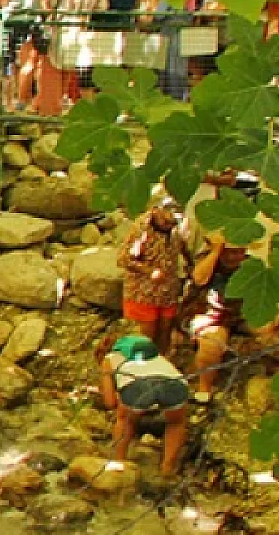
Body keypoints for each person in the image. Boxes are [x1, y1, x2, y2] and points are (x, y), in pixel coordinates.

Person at [97, 333, 188, 476]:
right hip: (175, 383)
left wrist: (118, 395)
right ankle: (167, 468)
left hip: (138, 386)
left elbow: (109, 402)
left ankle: (119, 462)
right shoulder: (156, 355)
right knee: (176, 422)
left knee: (125, 421)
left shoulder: (109, 359)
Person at [119, 199, 189, 352]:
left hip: (168, 291)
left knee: (165, 332)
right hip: (142, 293)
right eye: (166, 220)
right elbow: (123, 259)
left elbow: (183, 248)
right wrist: (149, 271)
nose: (169, 225)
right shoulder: (141, 229)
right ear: (156, 210)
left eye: (173, 222)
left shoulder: (177, 227)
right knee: (145, 340)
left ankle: (161, 364)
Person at [188, 233, 249, 398]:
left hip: (242, 314)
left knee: (278, 330)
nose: (234, 256)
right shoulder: (208, 262)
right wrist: (215, 252)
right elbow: (198, 278)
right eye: (230, 251)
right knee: (211, 346)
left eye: (239, 251)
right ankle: (204, 390)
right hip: (211, 315)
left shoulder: (250, 265)